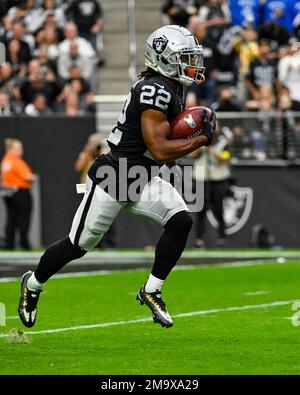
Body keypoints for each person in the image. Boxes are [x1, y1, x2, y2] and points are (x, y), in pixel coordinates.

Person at [18, 25, 216, 329]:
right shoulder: (155, 90)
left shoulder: (172, 86)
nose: (192, 64)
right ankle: (33, 285)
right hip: (116, 176)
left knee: (181, 221)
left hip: (142, 176)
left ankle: (152, 290)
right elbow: (160, 148)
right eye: (184, 57)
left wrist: (184, 148)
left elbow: (161, 148)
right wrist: (199, 139)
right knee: (77, 245)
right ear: (163, 59)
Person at [192, 125, 233, 248]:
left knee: (218, 209)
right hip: (201, 178)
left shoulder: (223, 142)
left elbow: (225, 158)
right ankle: (199, 239)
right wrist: (201, 147)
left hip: (217, 179)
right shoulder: (199, 140)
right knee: (200, 211)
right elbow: (193, 154)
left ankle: (221, 238)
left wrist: (213, 152)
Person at [1, 138, 36, 250]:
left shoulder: (5, 160)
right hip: (20, 192)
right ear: (10, 149)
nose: (21, 150)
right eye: (18, 148)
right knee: (23, 218)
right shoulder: (16, 161)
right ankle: (24, 243)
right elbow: (28, 177)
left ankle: (9, 243)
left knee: (11, 218)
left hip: (8, 192)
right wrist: (33, 178)